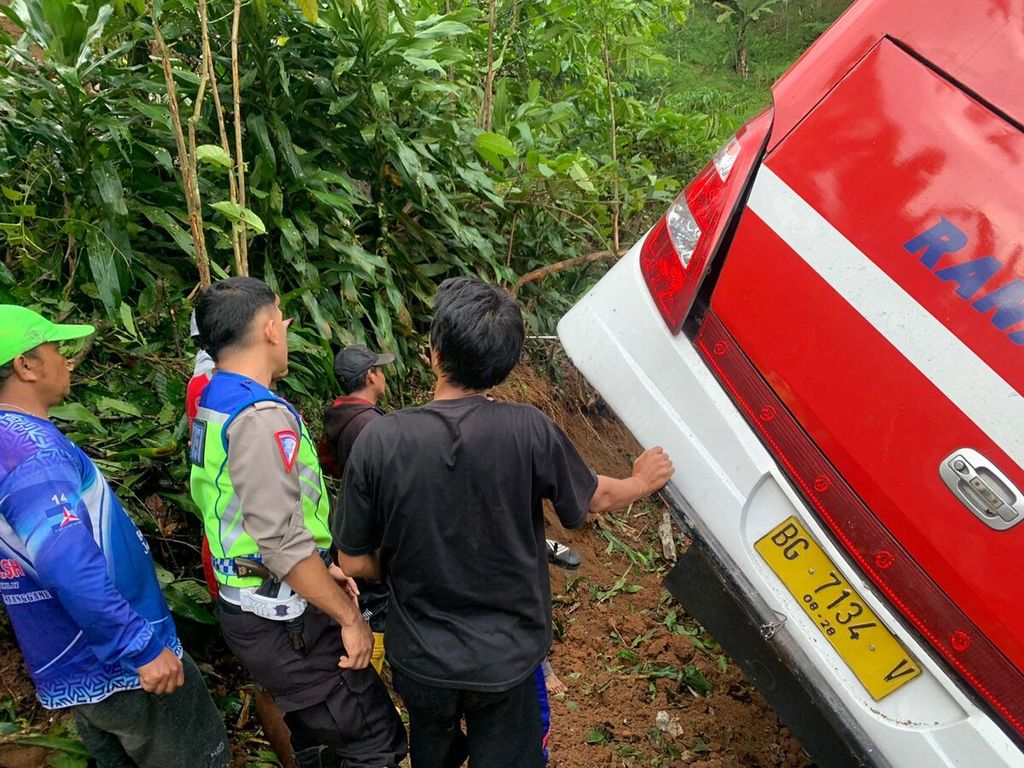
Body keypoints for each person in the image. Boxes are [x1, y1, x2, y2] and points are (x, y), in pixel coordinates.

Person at [335, 277, 674, 768]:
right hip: (508, 661)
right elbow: (594, 496)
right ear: (505, 366)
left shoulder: (380, 441)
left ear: (434, 352)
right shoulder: (529, 430)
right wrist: (642, 480)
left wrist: (411, 556)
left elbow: (352, 560)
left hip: (423, 662)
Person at [188, 277, 407, 768]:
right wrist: (350, 618)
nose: (285, 328)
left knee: (321, 738)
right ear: (268, 329)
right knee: (374, 740)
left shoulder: (215, 401)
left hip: (255, 597)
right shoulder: (256, 416)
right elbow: (282, 544)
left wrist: (317, 567)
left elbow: (246, 517)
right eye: (282, 318)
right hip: (285, 621)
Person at [0, 305, 230, 768]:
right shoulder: (32, 454)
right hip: (122, 665)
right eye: (55, 349)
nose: (66, 360)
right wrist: (139, 646)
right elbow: (67, 561)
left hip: (76, 656)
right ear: (26, 364)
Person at [321, 344, 395, 674]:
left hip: (348, 521)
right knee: (378, 606)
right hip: (373, 528)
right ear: (370, 376)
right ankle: (373, 678)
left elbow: (330, 464)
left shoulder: (337, 415)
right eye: (380, 370)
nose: (383, 375)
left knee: (369, 601)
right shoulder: (370, 425)